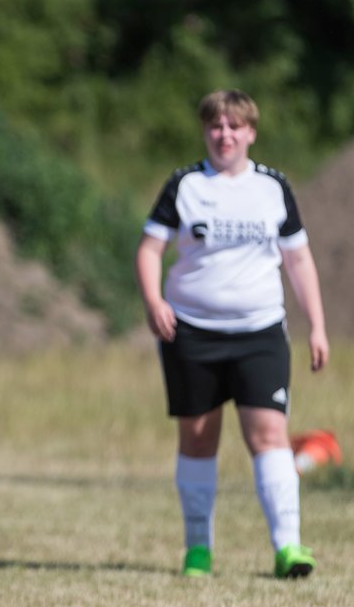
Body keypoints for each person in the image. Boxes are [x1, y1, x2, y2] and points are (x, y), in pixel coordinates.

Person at [135, 89, 328, 579]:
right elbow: (149, 250)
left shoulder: (273, 188)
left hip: (258, 331)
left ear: (251, 133)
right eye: (216, 126)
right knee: (198, 440)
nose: (225, 135)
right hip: (191, 332)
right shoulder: (184, 185)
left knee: (270, 435)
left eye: (235, 126)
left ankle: (289, 548)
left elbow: (298, 258)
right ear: (206, 131)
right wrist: (155, 301)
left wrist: (318, 326)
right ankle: (198, 548)